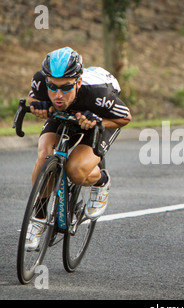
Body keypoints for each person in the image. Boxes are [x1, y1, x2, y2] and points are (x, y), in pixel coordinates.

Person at [26, 47, 132, 250]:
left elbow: (125, 118)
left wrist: (97, 120)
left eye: (66, 87)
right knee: (45, 155)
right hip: (65, 114)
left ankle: (101, 181)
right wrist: (38, 106)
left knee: (75, 171)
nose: (57, 94)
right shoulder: (41, 79)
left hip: (98, 117)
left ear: (79, 82)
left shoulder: (98, 93)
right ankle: (38, 216)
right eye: (52, 86)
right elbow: (33, 98)